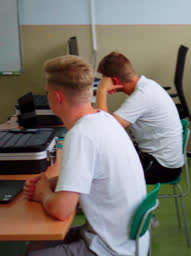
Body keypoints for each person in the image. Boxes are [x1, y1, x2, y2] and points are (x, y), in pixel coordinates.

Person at [23, 55, 149, 256]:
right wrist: (53, 183)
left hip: (111, 249)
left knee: (34, 253)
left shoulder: (81, 135)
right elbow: (94, 176)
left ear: (57, 97)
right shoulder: (104, 120)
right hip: (125, 240)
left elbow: (61, 210)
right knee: (36, 245)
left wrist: (43, 193)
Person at [95, 52, 184, 184]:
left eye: (104, 80)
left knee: (100, 173)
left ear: (115, 81)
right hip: (160, 159)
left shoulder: (142, 95)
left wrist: (101, 91)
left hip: (161, 167)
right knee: (102, 161)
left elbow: (106, 129)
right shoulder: (147, 85)